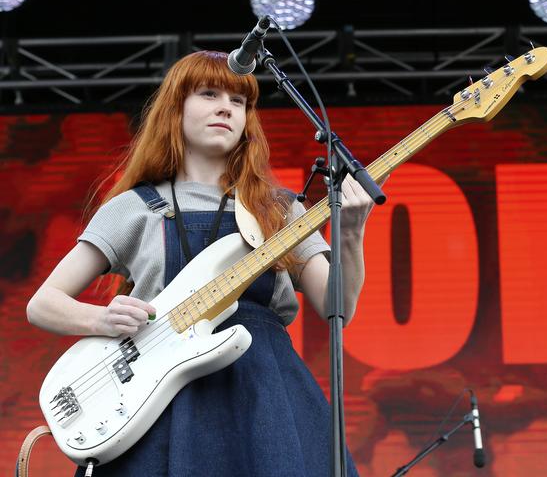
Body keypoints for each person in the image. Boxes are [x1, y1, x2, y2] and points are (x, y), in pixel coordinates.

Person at [26, 50, 378, 476]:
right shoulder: (135, 208)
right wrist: (103, 319)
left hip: (263, 390)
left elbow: (337, 304)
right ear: (176, 109)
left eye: (239, 101)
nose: (225, 108)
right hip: (161, 396)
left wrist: (350, 231)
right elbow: (43, 304)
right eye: (209, 94)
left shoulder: (278, 209)